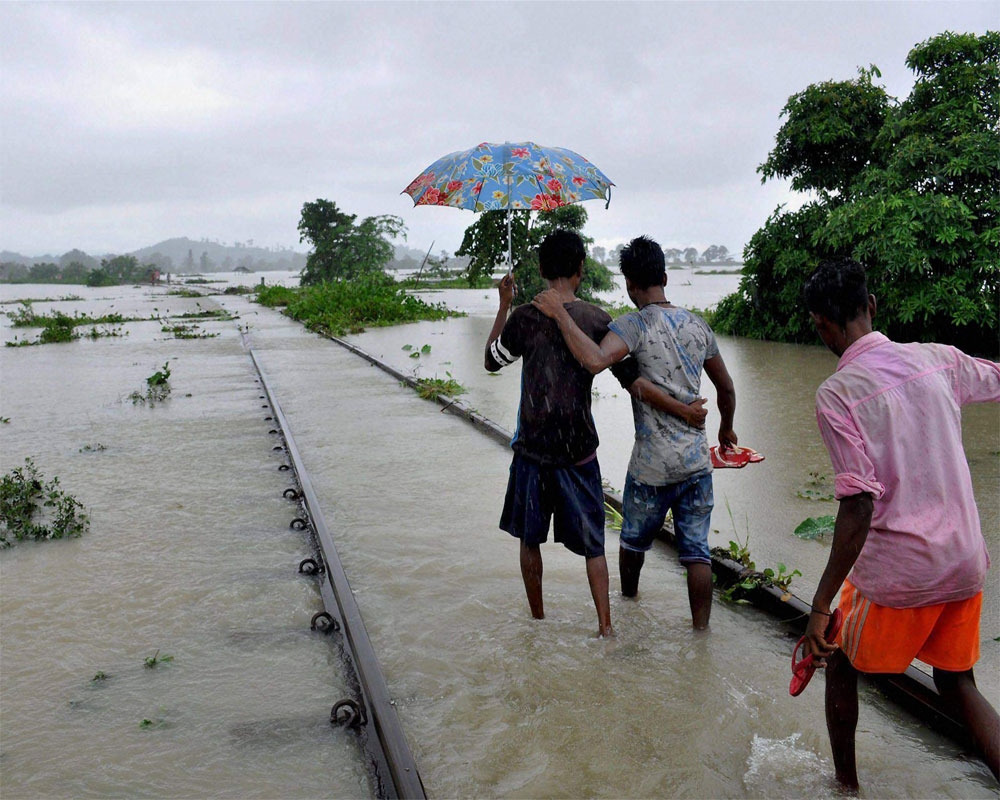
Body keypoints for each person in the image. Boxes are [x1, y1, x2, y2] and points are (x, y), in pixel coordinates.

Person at [801, 257, 999, 788]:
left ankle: (844, 787)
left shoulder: (837, 396)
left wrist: (821, 605)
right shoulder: (938, 360)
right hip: (965, 560)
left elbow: (858, 505)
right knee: (959, 685)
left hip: (904, 574)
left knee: (838, 656)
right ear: (871, 305)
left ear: (820, 324)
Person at [485, 230, 704, 637]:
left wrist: (504, 306)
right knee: (593, 545)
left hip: (532, 448)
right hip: (578, 450)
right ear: (581, 269)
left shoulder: (525, 318)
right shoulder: (596, 319)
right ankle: (605, 627)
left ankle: (537, 622)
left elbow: (491, 360)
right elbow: (635, 383)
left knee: (529, 539)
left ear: (541, 269)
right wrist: (683, 410)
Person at [533, 235, 737, 629]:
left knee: (632, 542)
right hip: (696, 462)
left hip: (650, 466)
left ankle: (628, 602)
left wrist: (560, 315)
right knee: (697, 553)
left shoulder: (633, 326)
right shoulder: (697, 325)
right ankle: (701, 634)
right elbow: (726, 388)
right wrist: (726, 428)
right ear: (664, 275)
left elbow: (594, 361)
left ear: (629, 285)